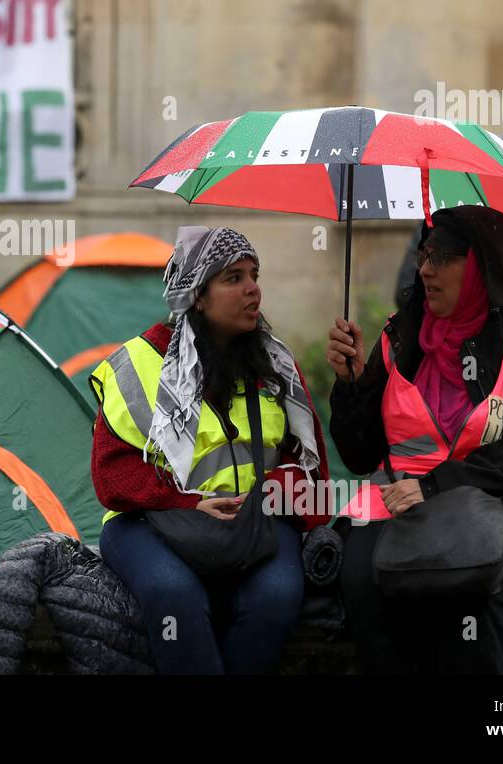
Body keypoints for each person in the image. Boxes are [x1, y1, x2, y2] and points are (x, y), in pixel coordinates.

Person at [326, 205, 503, 674]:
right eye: (425, 254)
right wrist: (350, 386)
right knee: (362, 579)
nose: (426, 269)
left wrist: (437, 485)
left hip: (497, 508)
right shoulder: (399, 340)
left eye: (445, 257)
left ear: (483, 265)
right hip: (396, 507)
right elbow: (359, 452)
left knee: (471, 593)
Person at [91, 226, 330, 674]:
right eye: (233, 278)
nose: (252, 289)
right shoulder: (140, 362)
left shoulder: (276, 365)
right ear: (197, 295)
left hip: (255, 520)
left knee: (276, 597)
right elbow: (110, 476)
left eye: (254, 274)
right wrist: (185, 502)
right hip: (149, 520)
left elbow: (310, 465)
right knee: (174, 596)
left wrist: (282, 488)